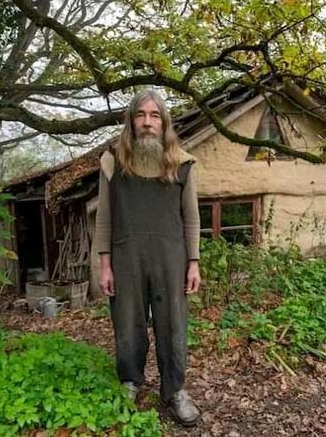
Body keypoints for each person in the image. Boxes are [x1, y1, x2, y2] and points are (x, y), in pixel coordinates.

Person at [94, 89, 202, 426]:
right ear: (131, 121)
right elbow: (104, 217)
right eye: (141, 115)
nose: (147, 122)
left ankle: (174, 390)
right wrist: (105, 264)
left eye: (154, 116)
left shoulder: (182, 163)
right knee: (128, 323)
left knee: (173, 324)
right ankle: (130, 381)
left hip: (171, 258)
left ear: (164, 122)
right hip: (127, 257)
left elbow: (192, 217)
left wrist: (194, 262)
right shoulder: (113, 160)